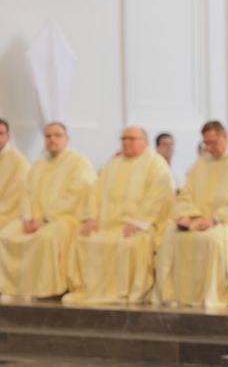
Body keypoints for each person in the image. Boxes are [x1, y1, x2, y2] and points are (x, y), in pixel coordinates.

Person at [155, 120, 228, 309]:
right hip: (198, 219)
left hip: (226, 221)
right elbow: (187, 194)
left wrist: (215, 219)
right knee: (169, 236)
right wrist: (187, 215)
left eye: (212, 142)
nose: (208, 147)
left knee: (212, 240)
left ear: (224, 137)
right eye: (205, 143)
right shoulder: (202, 162)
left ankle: (208, 295)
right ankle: (173, 295)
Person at [63, 127, 174, 305]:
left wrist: (139, 222)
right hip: (106, 225)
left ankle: (123, 293)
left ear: (144, 142)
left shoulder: (156, 164)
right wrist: (91, 217)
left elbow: (159, 196)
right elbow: (94, 192)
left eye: (132, 139)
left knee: (129, 244)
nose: (126, 142)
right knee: (82, 239)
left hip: (138, 227)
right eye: (124, 139)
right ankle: (88, 291)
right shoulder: (113, 164)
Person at [0, 122, 97, 299]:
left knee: (44, 238)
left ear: (67, 139)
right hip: (33, 219)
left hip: (65, 219)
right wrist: (27, 217)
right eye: (48, 136)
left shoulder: (79, 162)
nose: (52, 140)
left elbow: (75, 194)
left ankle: (42, 290)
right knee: (4, 235)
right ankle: (12, 288)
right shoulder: (38, 165)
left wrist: (45, 219)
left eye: (57, 135)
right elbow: (26, 192)